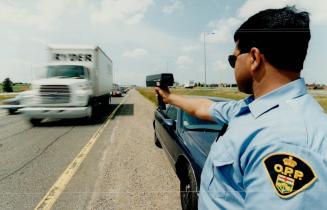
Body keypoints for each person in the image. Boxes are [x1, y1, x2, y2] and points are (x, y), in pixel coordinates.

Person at [155, 6, 327, 210]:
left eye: (233, 59)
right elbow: (204, 107)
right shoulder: (253, 108)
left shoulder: (287, 141)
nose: (233, 66)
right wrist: (170, 97)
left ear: (254, 58)